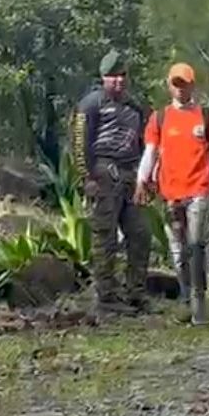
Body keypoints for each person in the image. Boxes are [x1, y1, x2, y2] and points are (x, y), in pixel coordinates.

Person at [134, 63, 209, 324]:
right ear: (169, 86)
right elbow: (150, 153)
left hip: (199, 188)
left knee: (195, 244)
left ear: (193, 85)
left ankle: (200, 301)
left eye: (185, 84)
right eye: (175, 84)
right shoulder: (160, 118)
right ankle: (186, 297)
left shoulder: (207, 117)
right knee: (178, 250)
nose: (180, 90)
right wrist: (141, 181)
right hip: (170, 192)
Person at [72, 49, 151, 316]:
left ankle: (136, 293)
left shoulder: (134, 107)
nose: (118, 81)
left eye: (122, 75)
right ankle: (106, 296)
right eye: (112, 76)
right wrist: (86, 177)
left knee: (140, 234)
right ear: (103, 77)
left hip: (130, 174)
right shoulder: (91, 104)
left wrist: (145, 176)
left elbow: (144, 142)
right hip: (103, 173)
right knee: (104, 237)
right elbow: (80, 143)